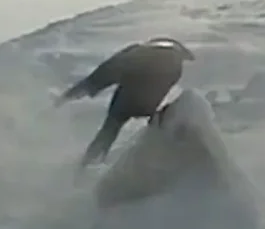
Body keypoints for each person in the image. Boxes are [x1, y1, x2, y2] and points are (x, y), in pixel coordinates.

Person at [55, 37, 196, 169]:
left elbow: (107, 71)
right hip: (141, 102)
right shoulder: (173, 63)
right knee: (112, 129)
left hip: (126, 101)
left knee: (109, 131)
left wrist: (79, 90)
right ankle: (91, 165)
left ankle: (88, 166)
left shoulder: (141, 53)